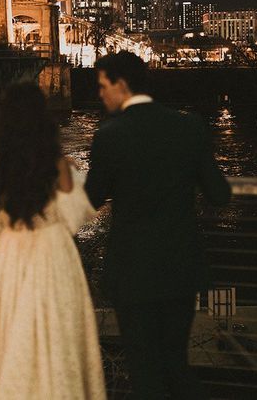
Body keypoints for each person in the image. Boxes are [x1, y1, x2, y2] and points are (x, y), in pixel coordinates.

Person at [85, 52, 231, 400]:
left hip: (133, 272)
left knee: (144, 369)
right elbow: (219, 194)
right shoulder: (189, 127)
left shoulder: (110, 136)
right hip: (180, 269)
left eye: (103, 86)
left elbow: (91, 198)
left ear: (121, 85)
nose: (100, 95)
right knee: (176, 364)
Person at [0, 82, 106, 400]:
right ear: (43, 119)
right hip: (54, 255)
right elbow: (76, 215)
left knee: (10, 328)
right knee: (59, 331)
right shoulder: (58, 166)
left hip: (13, 253)